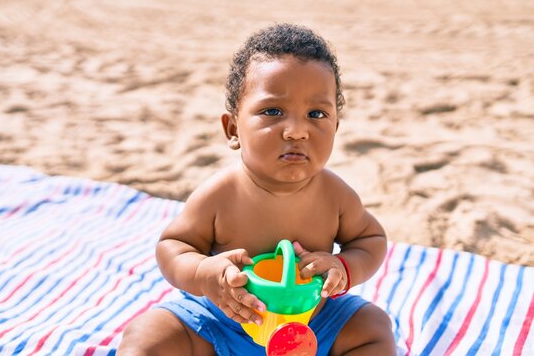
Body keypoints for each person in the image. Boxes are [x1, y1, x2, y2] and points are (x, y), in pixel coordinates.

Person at [119, 23, 395, 355]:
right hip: (220, 323)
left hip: (310, 325)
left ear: (335, 126)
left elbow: (370, 240)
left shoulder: (336, 195)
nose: (296, 131)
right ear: (233, 128)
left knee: (373, 326)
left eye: (316, 114)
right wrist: (205, 273)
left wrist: (344, 268)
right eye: (273, 111)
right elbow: (174, 245)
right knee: (148, 335)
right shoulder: (220, 194)